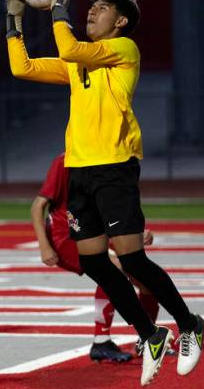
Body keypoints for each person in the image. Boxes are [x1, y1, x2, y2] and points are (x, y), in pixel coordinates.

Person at [6, 0, 204, 386]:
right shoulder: (79, 62)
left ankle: (189, 324)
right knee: (96, 262)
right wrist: (14, 17)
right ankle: (151, 334)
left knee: (132, 260)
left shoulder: (122, 49)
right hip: (79, 172)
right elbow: (20, 66)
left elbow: (70, 47)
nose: (92, 11)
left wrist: (59, 6)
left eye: (102, 9)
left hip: (114, 166)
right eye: (90, 6)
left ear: (120, 23)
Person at [32, 152, 160, 363]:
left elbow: (114, 205)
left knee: (146, 278)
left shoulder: (109, 159)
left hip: (95, 230)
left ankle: (148, 340)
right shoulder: (65, 160)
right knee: (112, 270)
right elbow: (38, 205)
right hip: (66, 236)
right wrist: (44, 246)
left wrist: (137, 231)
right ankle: (101, 341)